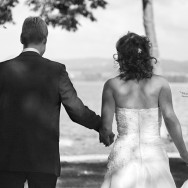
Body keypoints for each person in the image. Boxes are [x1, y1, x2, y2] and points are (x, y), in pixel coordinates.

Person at [0, 16, 114, 188]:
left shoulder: (2, 70)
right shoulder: (56, 71)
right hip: (43, 159)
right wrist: (101, 125)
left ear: (21, 39)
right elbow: (76, 110)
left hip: (6, 158)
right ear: (45, 40)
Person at [99, 32, 188, 188]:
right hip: (154, 153)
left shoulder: (111, 85)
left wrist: (106, 136)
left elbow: (106, 127)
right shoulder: (161, 84)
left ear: (121, 57)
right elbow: (170, 118)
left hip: (123, 153)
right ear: (146, 56)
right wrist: (183, 152)